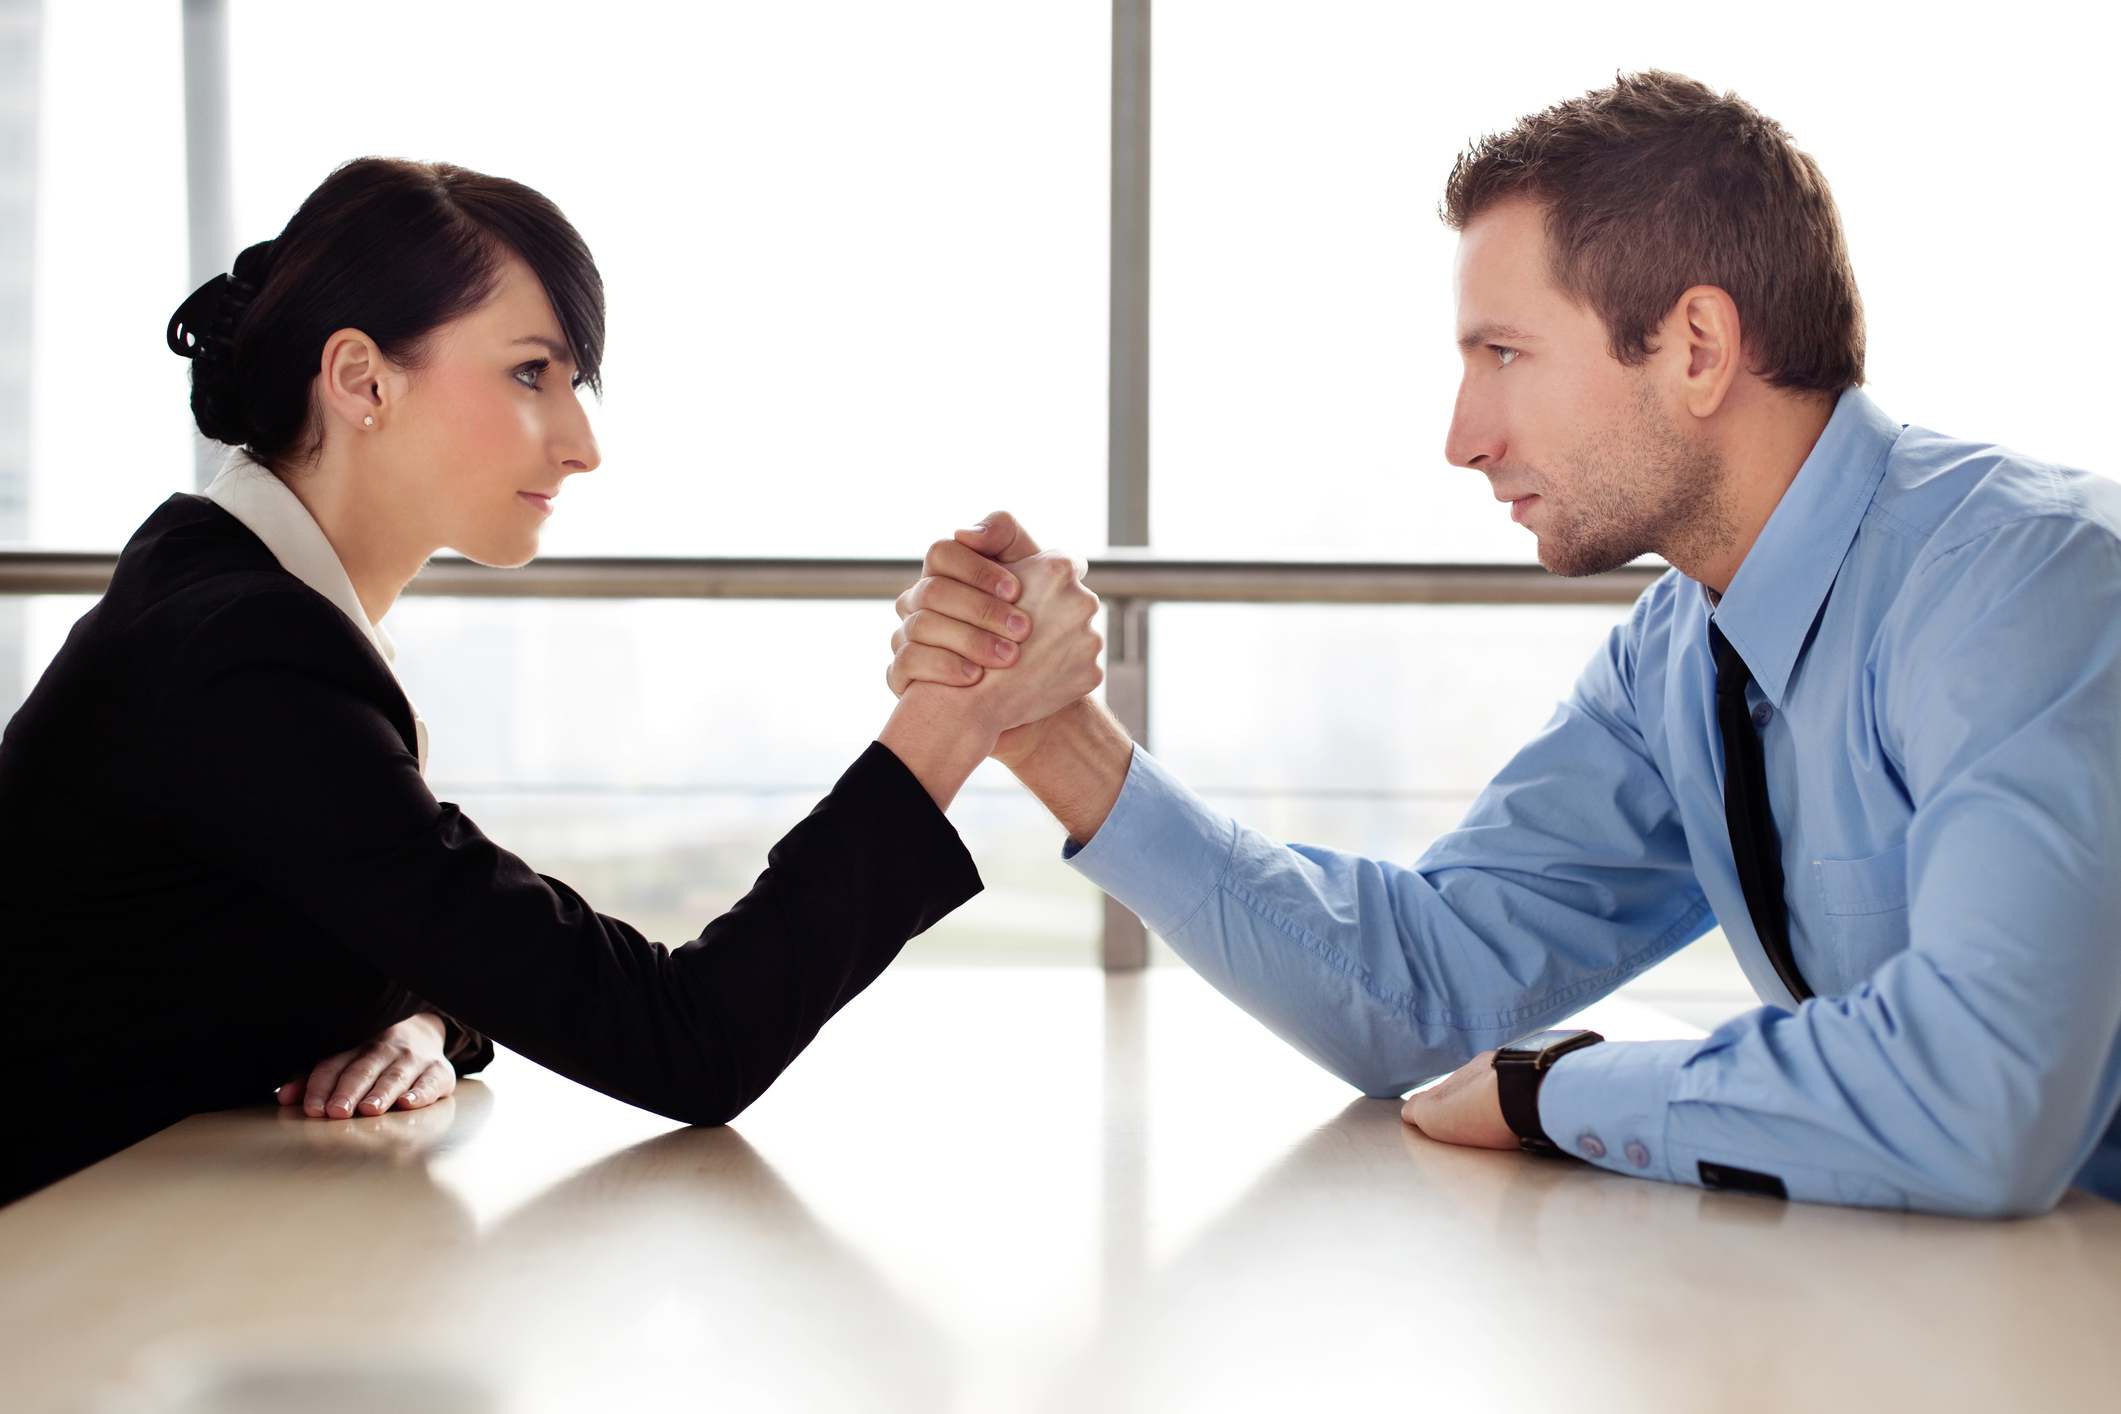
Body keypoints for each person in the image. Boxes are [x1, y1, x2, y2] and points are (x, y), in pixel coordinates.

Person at [888, 72, 2121, 1218]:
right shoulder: (1681, 654)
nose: (1463, 435)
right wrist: (1055, 735)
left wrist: (1553, 1091)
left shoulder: (2024, 584)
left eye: (1506, 354)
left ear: (1696, 347)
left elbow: (1981, 1096)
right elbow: (1426, 988)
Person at [0, 158, 1102, 1205]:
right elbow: (687, 1041)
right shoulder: (244, 660)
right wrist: (959, 713)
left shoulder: (236, 597)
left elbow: (412, 922)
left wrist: (425, 1021)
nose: (581, 441)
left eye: (574, 382)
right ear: (359, 379)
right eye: (531, 374)